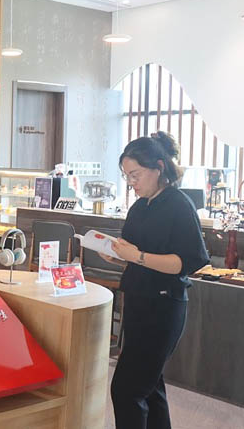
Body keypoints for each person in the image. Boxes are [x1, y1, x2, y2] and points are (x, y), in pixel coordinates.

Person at [101, 131, 209, 429]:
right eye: (127, 176)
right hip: (137, 301)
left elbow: (186, 262)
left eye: (135, 175)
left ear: (159, 167)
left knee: (126, 390)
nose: (131, 183)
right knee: (151, 388)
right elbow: (137, 255)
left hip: (163, 306)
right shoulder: (139, 207)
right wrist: (117, 256)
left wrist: (136, 256)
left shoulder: (179, 204)